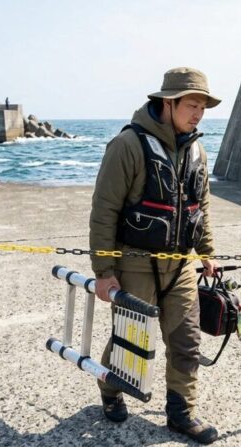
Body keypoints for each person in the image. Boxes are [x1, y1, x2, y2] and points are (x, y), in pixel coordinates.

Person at [89, 67, 221, 444]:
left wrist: (207, 252)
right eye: (192, 104)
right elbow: (104, 211)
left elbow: (202, 205)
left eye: (203, 106)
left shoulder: (197, 149)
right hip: (134, 262)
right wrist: (103, 270)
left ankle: (181, 413)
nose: (198, 113)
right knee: (132, 341)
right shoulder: (127, 145)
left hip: (179, 265)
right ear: (168, 102)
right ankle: (111, 390)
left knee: (186, 341)